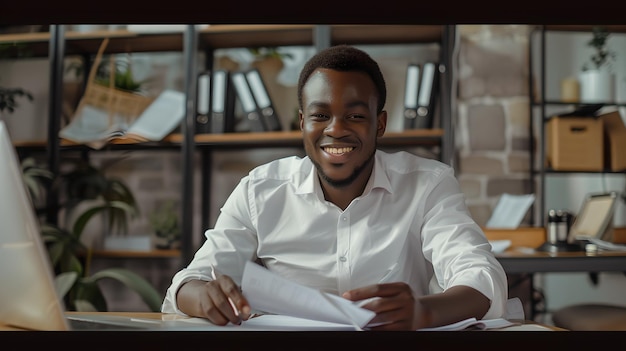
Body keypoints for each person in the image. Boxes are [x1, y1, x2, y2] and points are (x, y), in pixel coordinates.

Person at [162, 44, 508, 331]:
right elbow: (189, 283)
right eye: (320, 115)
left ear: (380, 124)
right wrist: (205, 295)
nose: (336, 130)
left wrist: (423, 312)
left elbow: (480, 275)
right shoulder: (259, 190)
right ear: (302, 123)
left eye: (356, 116)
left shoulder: (428, 184)